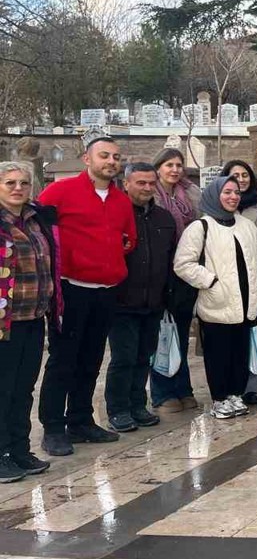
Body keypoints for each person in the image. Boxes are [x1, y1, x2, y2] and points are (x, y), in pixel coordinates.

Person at [38, 136, 136, 457]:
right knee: (63, 359)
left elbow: (128, 239)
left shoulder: (121, 201)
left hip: (106, 291)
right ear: (87, 159)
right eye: (104, 155)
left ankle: (80, 420)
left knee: (92, 359)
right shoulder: (60, 192)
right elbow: (39, 230)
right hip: (71, 288)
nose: (111, 161)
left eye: (116, 157)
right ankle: (53, 427)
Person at [174, 177, 257, 420]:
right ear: (215, 195)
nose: (233, 196)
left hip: (245, 303)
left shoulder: (247, 226)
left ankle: (236, 393)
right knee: (218, 354)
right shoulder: (200, 227)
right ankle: (219, 398)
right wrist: (211, 281)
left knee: (240, 353)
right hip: (217, 303)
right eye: (227, 192)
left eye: (236, 192)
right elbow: (183, 264)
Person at [105, 163, 175, 433]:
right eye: (140, 183)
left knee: (144, 355)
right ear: (126, 183)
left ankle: (137, 404)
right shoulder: (116, 215)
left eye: (150, 183)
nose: (146, 188)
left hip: (153, 300)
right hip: (122, 300)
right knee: (123, 357)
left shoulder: (163, 218)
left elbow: (169, 257)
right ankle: (118, 408)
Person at [0, 161, 57, 481]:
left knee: (23, 388)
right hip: (4, 321)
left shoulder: (36, 220)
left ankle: (19, 449)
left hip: (33, 316)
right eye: (10, 183)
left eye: (23, 183)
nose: (18, 188)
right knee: (3, 389)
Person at [150, 147, 201, 415]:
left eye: (179, 165)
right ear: (158, 167)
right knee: (162, 334)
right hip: (159, 271)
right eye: (169, 164)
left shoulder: (190, 193)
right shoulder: (151, 194)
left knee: (180, 333)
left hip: (185, 272)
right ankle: (161, 392)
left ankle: (183, 388)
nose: (174, 170)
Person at [222, 160, 257, 404]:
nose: (241, 179)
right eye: (235, 175)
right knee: (229, 337)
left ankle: (251, 387)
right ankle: (230, 386)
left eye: (244, 175)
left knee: (253, 336)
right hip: (225, 281)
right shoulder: (218, 206)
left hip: (253, 276)